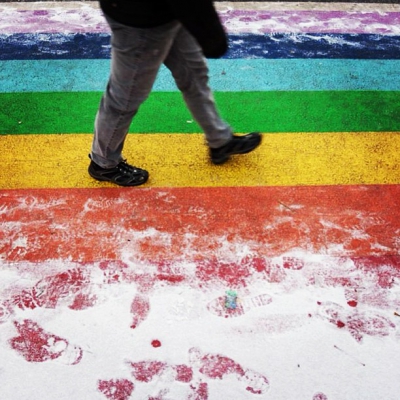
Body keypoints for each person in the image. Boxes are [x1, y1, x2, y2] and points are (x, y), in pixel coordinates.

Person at [88, 0, 262, 187]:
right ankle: (103, 162)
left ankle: (220, 140)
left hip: (168, 12)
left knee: (193, 73)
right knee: (125, 96)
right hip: (141, 20)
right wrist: (213, 38)